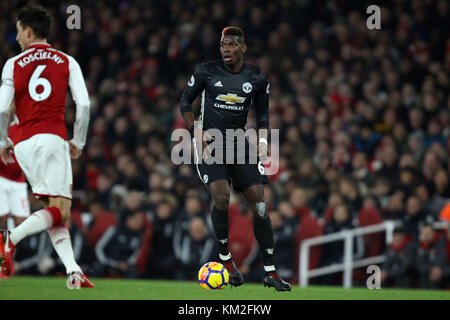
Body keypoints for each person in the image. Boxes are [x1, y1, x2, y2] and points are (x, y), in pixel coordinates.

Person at [179, 26, 290, 291]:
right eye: (222, 45)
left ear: (243, 47)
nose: (226, 49)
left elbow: (263, 115)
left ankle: (271, 272)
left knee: (261, 208)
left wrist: (263, 142)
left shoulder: (257, 77)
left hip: (239, 144)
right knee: (222, 197)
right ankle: (226, 260)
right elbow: (185, 102)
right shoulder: (206, 71)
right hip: (211, 144)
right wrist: (196, 130)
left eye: (231, 44)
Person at [0, 4, 93, 289]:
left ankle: (73, 271)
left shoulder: (12, 64)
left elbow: (3, 110)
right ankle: (9, 238)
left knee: (51, 209)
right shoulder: (67, 60)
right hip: (52, 138)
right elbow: (85, 104)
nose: (17, 37)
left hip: (23, 144)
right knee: (62, 211)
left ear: (28, 31)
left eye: (18, 31)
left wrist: (3, 141)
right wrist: (77, 141)